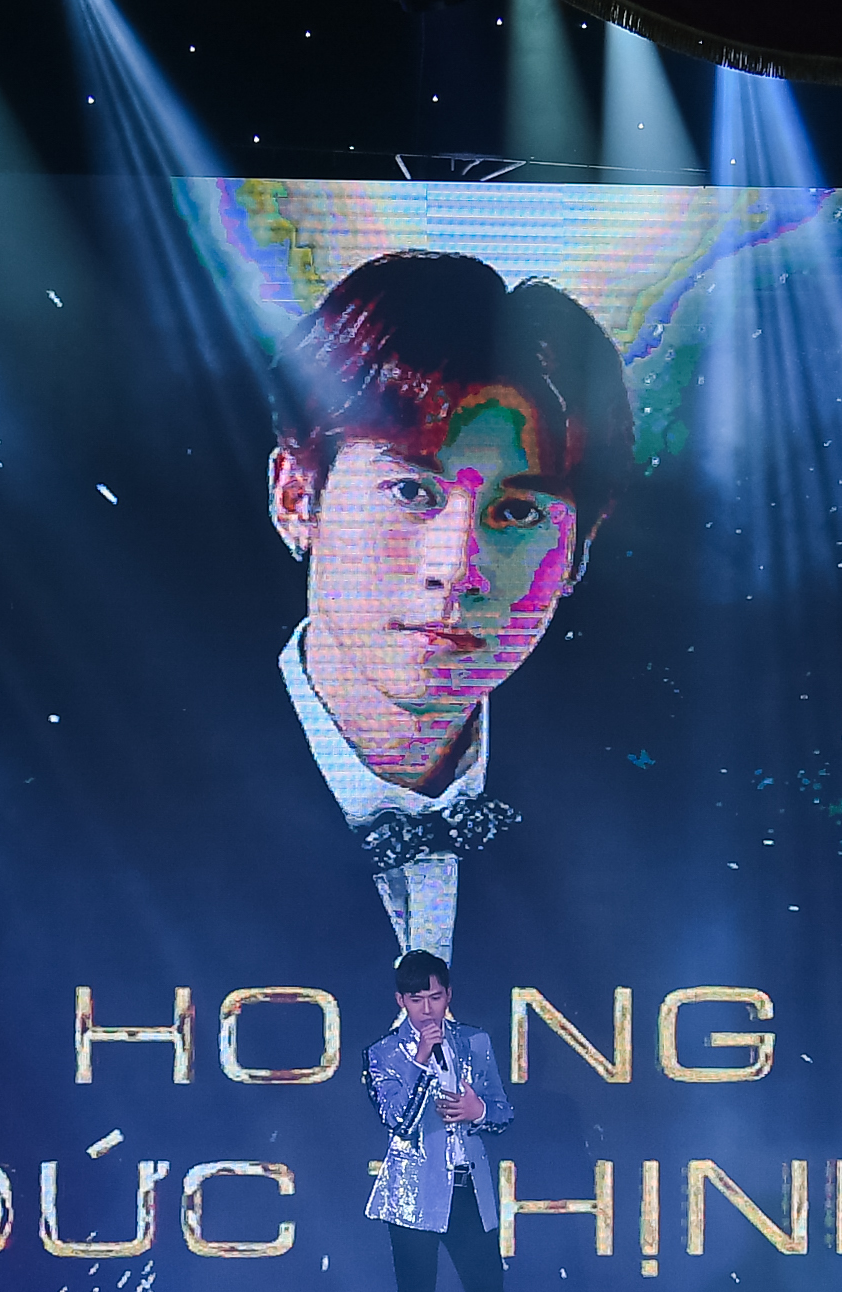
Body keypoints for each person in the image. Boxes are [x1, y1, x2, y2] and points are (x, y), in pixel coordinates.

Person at [269, 249, 633, 963]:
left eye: (518, 512)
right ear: (297, 499)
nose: (458, 568)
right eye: (412, 492)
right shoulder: (115, 799)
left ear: (577, 550)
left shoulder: (635, 817)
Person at [365, 948, 521, 1292]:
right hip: (413, 1198)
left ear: (448, 995)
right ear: (401, 1001)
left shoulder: (475, 1042)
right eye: (417, 999)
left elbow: (502, 1113)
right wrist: (419, 1061)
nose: (427, 1009)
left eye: (435, 997)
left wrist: (479, 1111)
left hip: (469, 1189)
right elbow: (398, 1122)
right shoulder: (384, 1054)